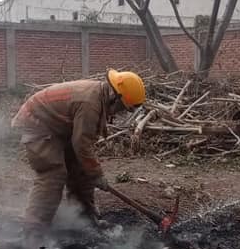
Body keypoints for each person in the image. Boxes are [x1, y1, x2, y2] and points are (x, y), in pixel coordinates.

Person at [11, 69, 146, 237]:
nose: (120, 112)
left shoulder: (99, 96)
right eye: (121, 108)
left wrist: (91, 172)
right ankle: (33, 231)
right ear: (114, 97)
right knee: (53, 174)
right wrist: (97, 174)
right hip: (36, 122)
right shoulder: (90, 104)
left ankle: (84, 218)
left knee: (82, 171)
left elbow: (81, 147)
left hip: (58, 125)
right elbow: (81, 144)